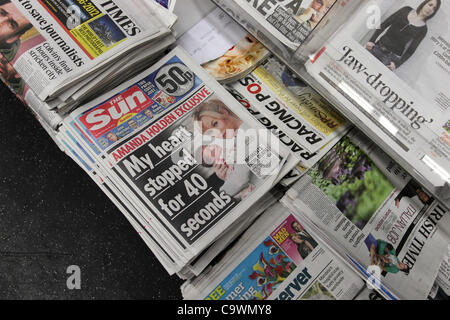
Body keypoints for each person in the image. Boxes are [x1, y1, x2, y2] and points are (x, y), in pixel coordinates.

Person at [366, 0, 441, 71]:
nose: (430, 9)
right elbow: (385, 24)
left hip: (390, 58)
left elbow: (410, 50)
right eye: (430, 5)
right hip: (377, 47)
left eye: (434, 8)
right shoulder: (406, 10)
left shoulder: (423, 29)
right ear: (425, 3)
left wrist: (396, 64)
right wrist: (371, 40)